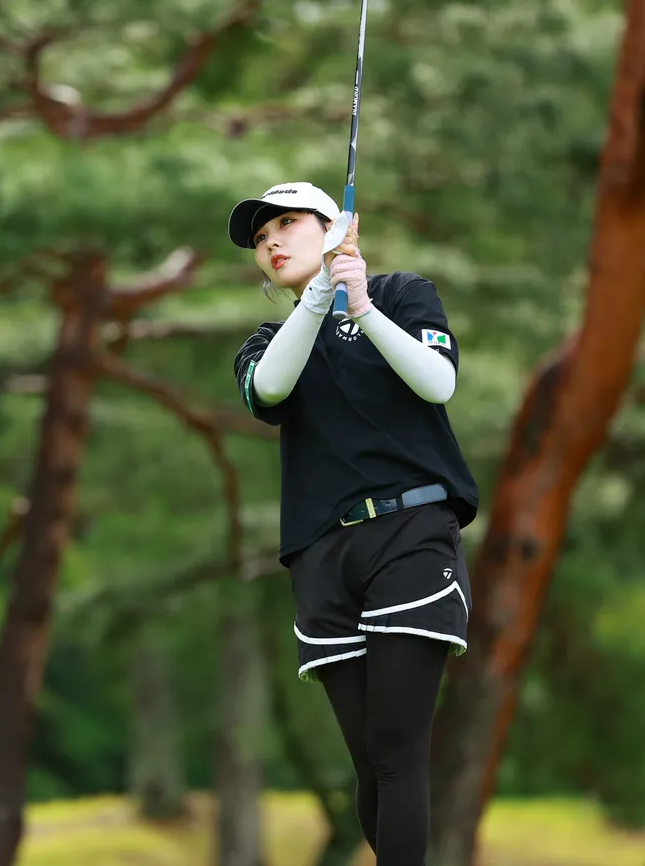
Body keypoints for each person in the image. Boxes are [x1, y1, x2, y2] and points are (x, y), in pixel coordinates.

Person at [227, 181, 479, 866]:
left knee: (397, 750)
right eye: (260, 238)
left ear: (333, 226)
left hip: (410, 534)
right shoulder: (267, 343)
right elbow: (271, 388)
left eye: (286, 223)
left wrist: (362, 306)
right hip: (322, 558)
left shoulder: (402, 294)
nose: (271, 242)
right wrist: (320, 296)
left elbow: (438, 381)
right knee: (370, 761)